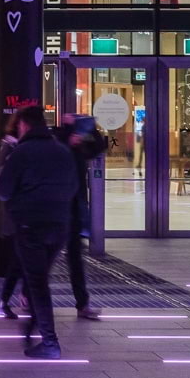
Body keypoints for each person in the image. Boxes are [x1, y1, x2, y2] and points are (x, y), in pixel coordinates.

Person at [0, 104, 78, 359]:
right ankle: (33, 326)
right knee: (38, 278)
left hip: (30, 224)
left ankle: (49, 342)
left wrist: (17, 205)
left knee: (37, 282)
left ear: (24, 125)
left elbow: (4, 189)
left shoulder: (22, 152)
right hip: (59, 224)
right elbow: (74, 186)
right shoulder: (62, 151)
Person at [57, 114, 106, 322]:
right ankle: (24, 296)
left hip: (74, 211)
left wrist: (91, 128)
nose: (77, 138)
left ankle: (83, 304)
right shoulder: (58, 144)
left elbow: (99, 147)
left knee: (75, 258)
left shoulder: (79, 150)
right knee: (42, 259)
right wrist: (68, 131)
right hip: (56, 210)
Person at [0, 111, 24, 318]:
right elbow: (1, 179)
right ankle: (8, 300)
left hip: (19, 212)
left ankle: (11, 299)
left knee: (21, 260)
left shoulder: (16, 147)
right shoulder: (10, 147)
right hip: (17, 213)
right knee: (20, 259)